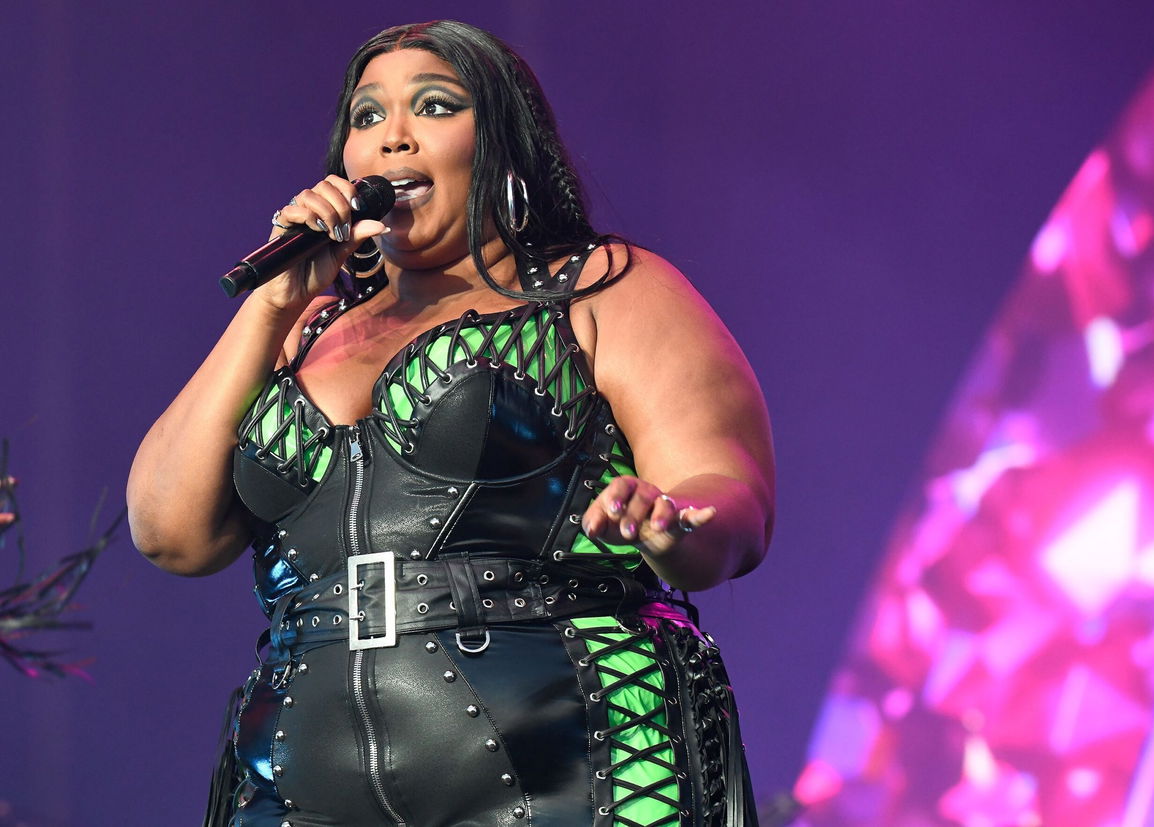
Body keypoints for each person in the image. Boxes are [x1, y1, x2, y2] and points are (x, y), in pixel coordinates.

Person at [128, 20, 774, 827]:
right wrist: (269, 308)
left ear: (500, 144)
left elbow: (732, 499)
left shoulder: (602, 290)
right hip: (298, 772)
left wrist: (671, 524)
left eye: (433, 106)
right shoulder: (300, 331)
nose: (392, 137)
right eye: (367, 118)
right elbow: (167, 532)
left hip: (573, 757)